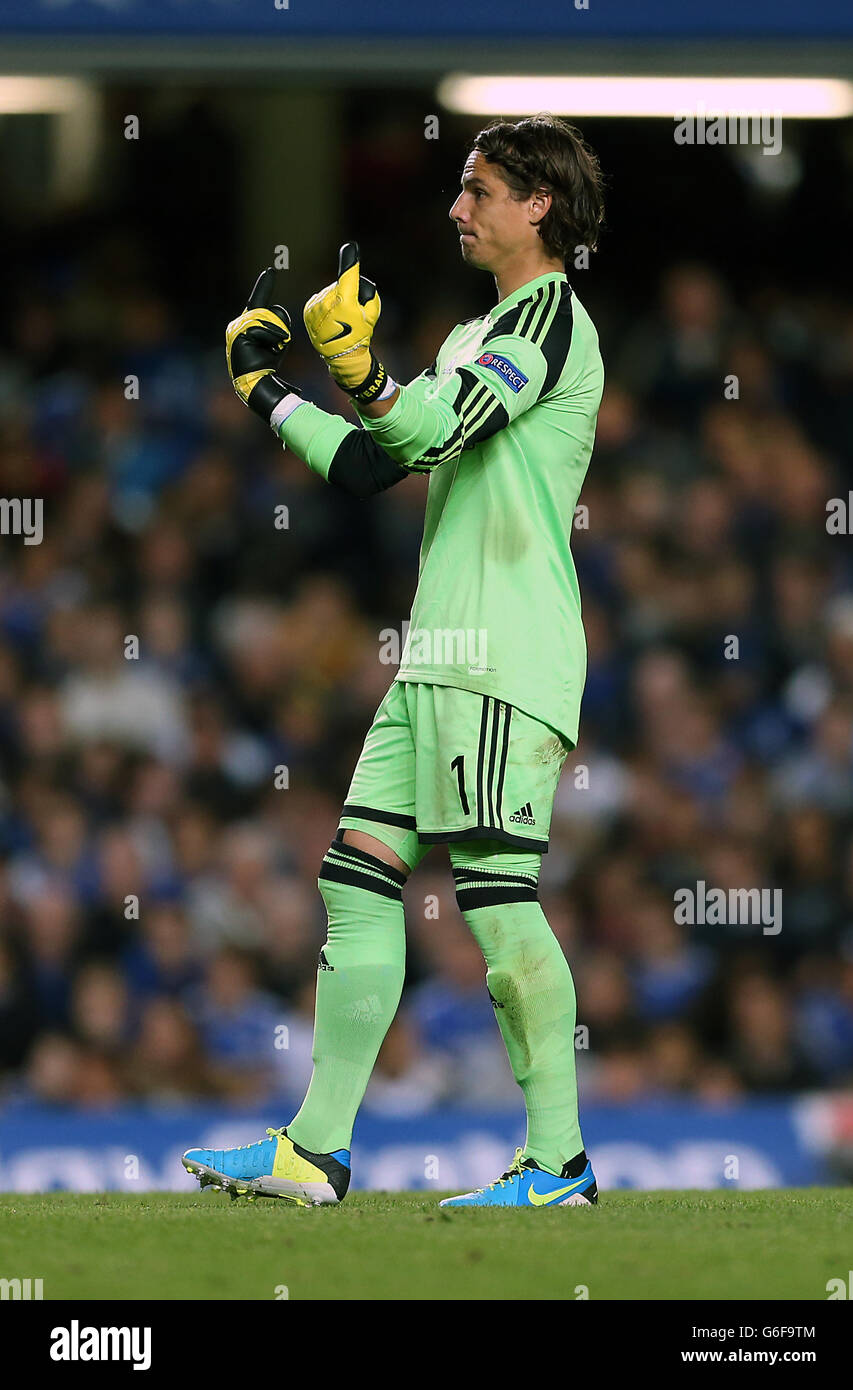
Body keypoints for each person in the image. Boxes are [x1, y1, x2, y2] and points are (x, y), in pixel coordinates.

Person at [183, 113, 605, 1208]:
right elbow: (383, 462)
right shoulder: (475, 334)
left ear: (537, 204)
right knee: (355, 879)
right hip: (435, 661)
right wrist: (270, 391)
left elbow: (432, 424)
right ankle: (314, 1149)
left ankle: (556, 1159)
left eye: (477, 190)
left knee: (497, 901)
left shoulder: (553, 323)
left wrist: (363, 370)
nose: (456, 209)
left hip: (503, 655)